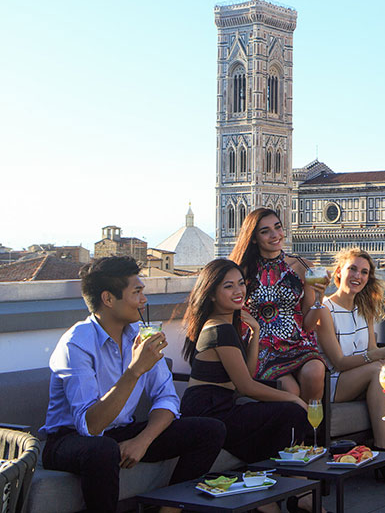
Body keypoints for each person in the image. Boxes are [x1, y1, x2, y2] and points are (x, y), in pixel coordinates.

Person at [41, 256, 225, 513]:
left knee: (210, 430)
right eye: (137, 292)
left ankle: (169, 510)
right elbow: (90, 427)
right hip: (68, 439)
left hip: (120, 432)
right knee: (102, 450)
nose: (144, 300)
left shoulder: (141, 334)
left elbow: (167, 398)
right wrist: (135, 369)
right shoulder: (76, 343)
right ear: (108, 299)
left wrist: (143, 440)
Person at [180, 258, 318, 513]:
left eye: (241, 284)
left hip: (223, 406)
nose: (238, 291)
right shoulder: (219, 328)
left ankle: (274, 494)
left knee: (284, 417)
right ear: (211, 293)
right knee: (292, 412)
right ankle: (283, 494)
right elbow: (246, 386)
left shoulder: (228, 324)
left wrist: (254, 332)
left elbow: (249, 373)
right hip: (208, 411)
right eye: (228, 286)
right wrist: (293, 399)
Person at [309, 248, 385, 483]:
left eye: (364, 272)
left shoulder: (365, 308)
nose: (358, 276)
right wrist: (382, 355)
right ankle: (384, 451)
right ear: (339, 272)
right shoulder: (326, 310)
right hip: (336, 382)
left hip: (363, 375)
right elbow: (338, 362)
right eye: (353, 269)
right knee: (380, 370)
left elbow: (371, 353)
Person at [230, 208, 327, 402]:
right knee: (288, 389)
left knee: (315, 371)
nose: (275, 235)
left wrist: (319, 298)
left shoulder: (304, 267)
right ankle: (295, 429)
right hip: (261, 348)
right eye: (265, 231)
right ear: (254, 238)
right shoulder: (242, 270)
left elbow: (308, 325)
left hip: (298, 344)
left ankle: (310, 429)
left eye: (278, 227)